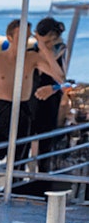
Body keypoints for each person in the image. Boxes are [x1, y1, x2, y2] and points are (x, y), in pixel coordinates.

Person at [0, 19, 66, 167]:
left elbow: (60, 77)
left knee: (19, 161)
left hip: (23, 112)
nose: (25, 40)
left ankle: (17, 187)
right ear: (9, 37)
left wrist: (42, 46)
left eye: (28, 36)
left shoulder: (32, 58)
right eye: (21, 36)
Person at [29, 17, 69, 169]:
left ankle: (43, 178)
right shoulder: (31, 53)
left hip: (49, 103)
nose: (50, 44)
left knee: (45, 145)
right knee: (26, 143)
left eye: (53, 41)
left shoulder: (60, 52)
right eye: (46, 42)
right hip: (30, 102)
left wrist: (46, 51)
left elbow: (64, 81)